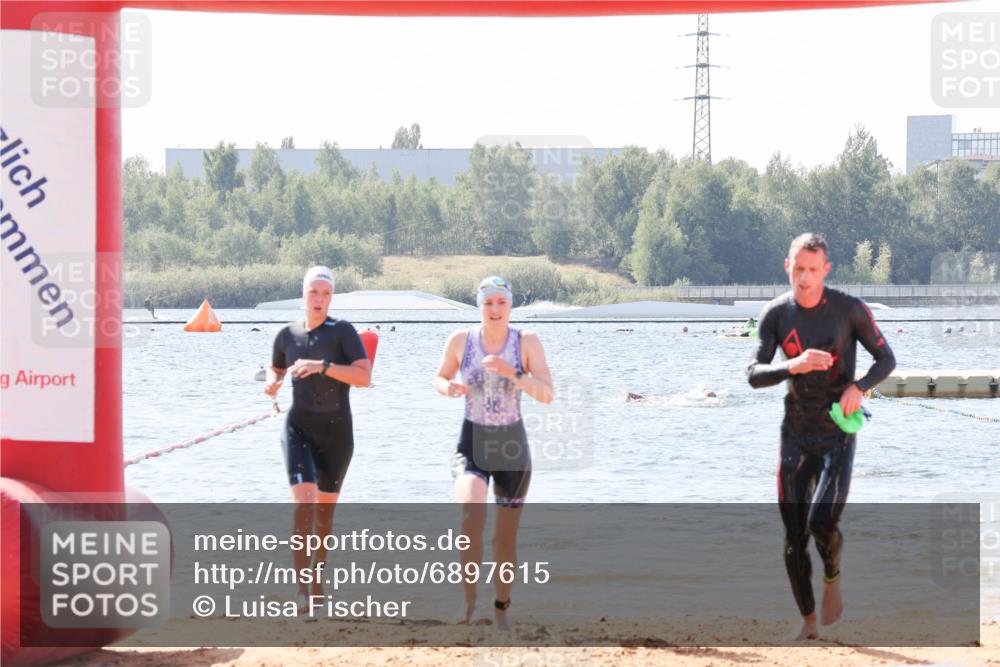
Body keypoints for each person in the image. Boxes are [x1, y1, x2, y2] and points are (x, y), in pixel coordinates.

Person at [746, 233, 895, 641]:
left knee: (820, 522)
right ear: (787, 267)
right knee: (794, 534)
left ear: (826, 270)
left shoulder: (849, 310)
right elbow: (753, 375)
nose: (805, 278)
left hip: (836, 435)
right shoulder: (776, 314)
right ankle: (808, 621)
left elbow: (887, 358)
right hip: (794, 435)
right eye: (799, 269)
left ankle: (833, 576)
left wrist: (858, 387)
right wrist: (792, 365)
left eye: (813, 270)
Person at [433, 276, 553, 630]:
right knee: (470, 519)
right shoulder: (461, 340)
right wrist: (448, 387)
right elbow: (438, 377)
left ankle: (501, 607)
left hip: (512, 448)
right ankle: (469, 600)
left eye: (501, 302)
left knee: (503, 540)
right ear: (479, 305)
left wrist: (513, 372)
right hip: (471, 442)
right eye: (488, 303)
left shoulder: (526, 341)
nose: (495, 309)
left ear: (510, 305)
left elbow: (547, 393)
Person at [264, 266, 372, 611]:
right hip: (298, 427)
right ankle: (301, 590)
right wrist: (272, 381)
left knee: (324, 517)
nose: (320, 299)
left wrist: (323, 366)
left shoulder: (342, 332)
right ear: (303, 293)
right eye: (314, 292)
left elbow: (364, 377)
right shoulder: (287, 334)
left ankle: (317, 578)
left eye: (326, 293)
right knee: (304, 503)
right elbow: (276, 367)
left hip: (337, 433)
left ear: (332, 297)